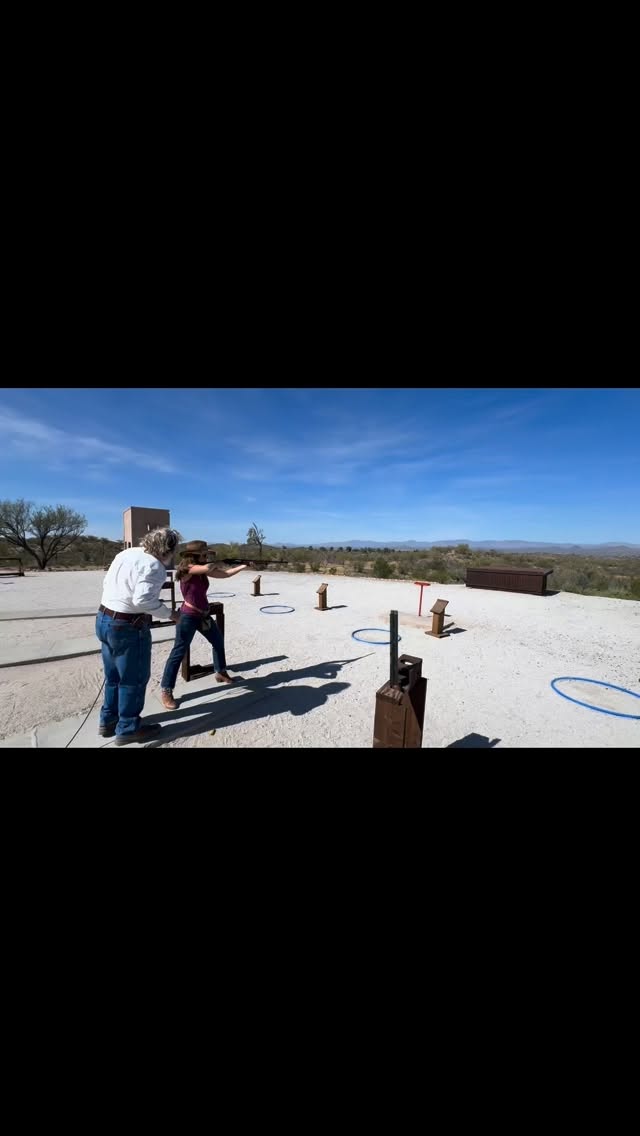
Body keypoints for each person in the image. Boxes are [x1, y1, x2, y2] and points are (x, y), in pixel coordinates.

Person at [96, 526, 182, 746]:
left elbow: (110, 583)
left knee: (113, 675)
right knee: (133, 679)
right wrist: (170, 614)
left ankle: (109, 719)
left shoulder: (125, 553)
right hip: (127, 626)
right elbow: (142, 601)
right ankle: (128, 728)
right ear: (168, 549)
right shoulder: (155, 565)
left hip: (104, 618)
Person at [159, 540, 254, 709]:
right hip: (187, 616)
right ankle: (166, 690)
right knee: (178, 652)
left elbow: (225, 574)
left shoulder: (202, 571)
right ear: (195, 556)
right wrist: (218, 562)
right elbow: (208, 568)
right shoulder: (187, 570)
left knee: (218, 641)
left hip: (203, 615)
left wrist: (243, 565)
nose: (206, 556)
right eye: (204, 554)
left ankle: (220, 672)